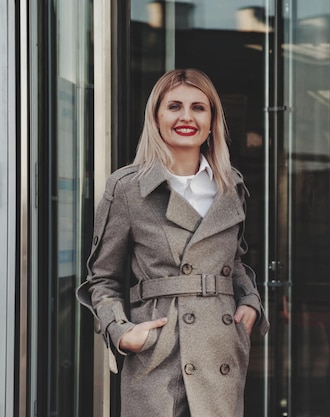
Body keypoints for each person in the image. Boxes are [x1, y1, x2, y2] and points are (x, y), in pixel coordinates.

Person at [76, 68, 269, 417]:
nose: (186, 117)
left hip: (220, 350)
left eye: (198, 108)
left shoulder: (231, 187)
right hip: (159, 357)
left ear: (212, 122)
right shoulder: (128, 188)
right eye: (174, 106)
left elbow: (234, 262)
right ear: (157, 117)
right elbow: (101, 279)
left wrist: (251, 304)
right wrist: (121, 331)